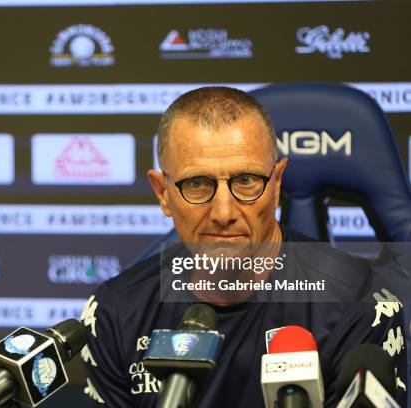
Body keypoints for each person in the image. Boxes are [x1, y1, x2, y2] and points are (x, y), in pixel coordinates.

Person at [80, 86, 408, 407]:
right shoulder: (115, 311)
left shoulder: (360, 304)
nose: (224, 213)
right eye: (197, 184)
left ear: (277, 184)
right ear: (163, 193)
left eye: (246, 181)